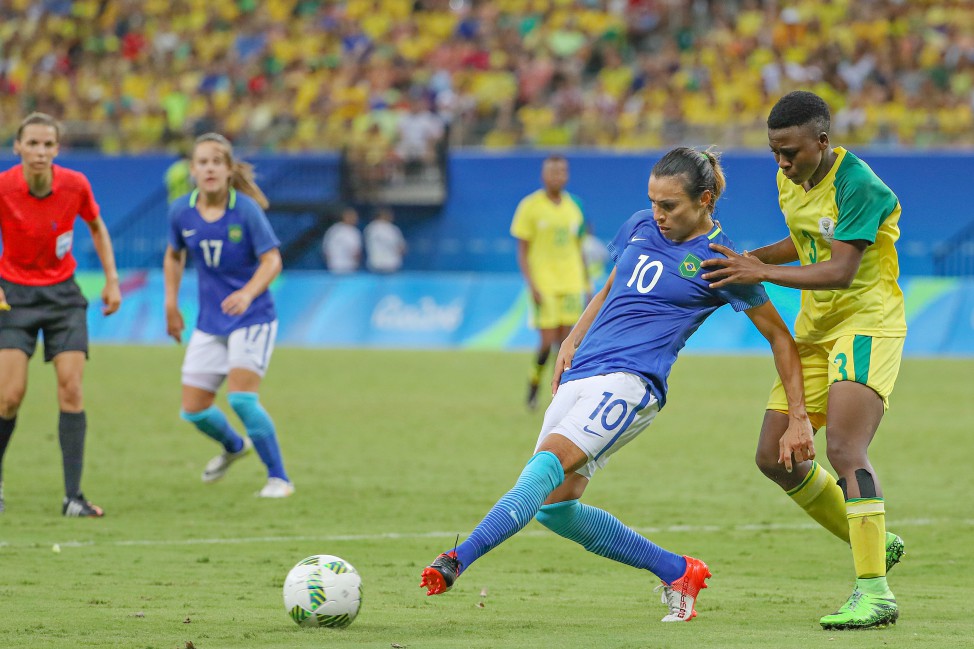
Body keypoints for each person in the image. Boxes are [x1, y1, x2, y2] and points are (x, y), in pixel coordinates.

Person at [420, 147, 815, 623]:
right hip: (584, 369)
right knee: (554, 507)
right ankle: (678, 571)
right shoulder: (641, 226)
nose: (658, 214)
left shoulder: (720, 261)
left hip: (632, 383)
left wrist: (798, 418)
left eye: (670, 206)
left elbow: (780, 339)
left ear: (705, 200)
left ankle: (457, 559)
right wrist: (572, 338)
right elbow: (613, 284)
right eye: (653, 202)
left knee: (545, 467)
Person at [701, 91, 907, 630]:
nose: (782, 164)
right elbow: (805, 240)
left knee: (843, 447)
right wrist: (748, 259)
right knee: (775, 456)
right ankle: (874, 542)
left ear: (822, 141)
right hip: (816, 332)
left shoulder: (858, 185)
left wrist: (760, 275)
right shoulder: (789, 178)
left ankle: (875, 592)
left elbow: (840, 269)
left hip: (867, 323)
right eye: (774, 153)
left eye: (790, 153)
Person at [0, 112, 122, 517]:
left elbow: (97, 226)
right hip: (12, 296)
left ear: (57, 149)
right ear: (17, 147)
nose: (39, 151)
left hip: (64, 297)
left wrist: (112, 280)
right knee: (8, 397)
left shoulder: (75, 184)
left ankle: (73, 498)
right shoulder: (3, 187)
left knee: (71, 388)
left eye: (47, 144)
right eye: (31, 143)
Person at [163, 132, 294, 498]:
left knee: (241, 399)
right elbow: (174, 255)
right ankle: (235, 447)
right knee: (193, 410)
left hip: (253, 316)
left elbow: (272, 259)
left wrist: (248, 293)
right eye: (202, 162)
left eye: (216, 162)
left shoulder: (245, 211)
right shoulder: (181, 211)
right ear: (192, 170)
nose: (209, 169)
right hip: (210, 320)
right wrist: (171, 304)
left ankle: (279, 478)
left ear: (228, 169)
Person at [511, 155, 588, 410]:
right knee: (546, 342)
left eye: (562, 172)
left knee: (566, 345)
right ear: (544, 175)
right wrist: (531, 284)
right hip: (544, 284)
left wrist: (586, 284)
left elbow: (579, 248)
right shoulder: (530, 206)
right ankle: (533, 386)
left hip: (571, 281)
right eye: (553, 172)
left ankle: (562, 396)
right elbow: (522, 250)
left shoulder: (574, 206)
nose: (558, 176)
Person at [364, 207, 406, 273]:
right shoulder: (392, 229)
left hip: (375, 263)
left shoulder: (370, 228)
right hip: (391, 263)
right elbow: (401, 248)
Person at [322, 207, 362, 273]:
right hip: (335, 265)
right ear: (345, 217)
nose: (355, 219)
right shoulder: (334, 230)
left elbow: (356, 251)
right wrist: (329, 262)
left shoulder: (354, 231)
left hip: (350, 266)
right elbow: (326, 248)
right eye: (353, 217)